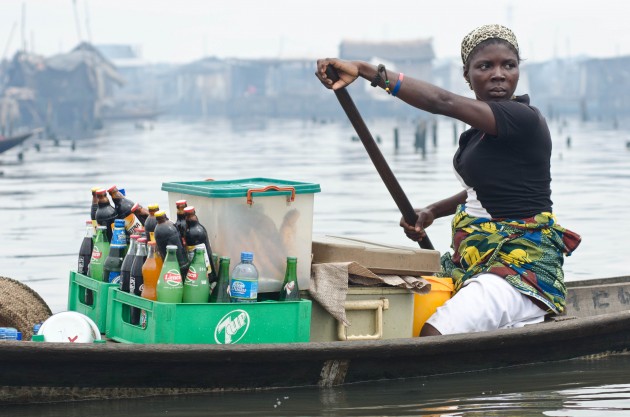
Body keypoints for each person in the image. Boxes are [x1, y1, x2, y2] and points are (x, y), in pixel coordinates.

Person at [316, 24, 581, 336]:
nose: (499, 74)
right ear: (467, 76)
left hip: (521, 268)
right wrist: (430, 212)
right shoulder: (477, 134)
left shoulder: (523, 119)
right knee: (402, 299)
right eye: (485, 66)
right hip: (477, 259)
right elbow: (478, 192)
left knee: (431, 334)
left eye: (508, 65)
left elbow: (444, 102)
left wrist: (366, 70)